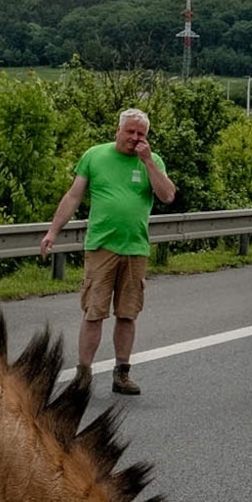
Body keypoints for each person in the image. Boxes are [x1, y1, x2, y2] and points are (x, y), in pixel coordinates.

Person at [38, 108, 175, 394]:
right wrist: (53, 232)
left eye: (141, 134)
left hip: (135, 247)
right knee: (94, 311)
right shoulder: (95, 156)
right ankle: (83, 374)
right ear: (118, 130)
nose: (135, 138)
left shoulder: (152, 160)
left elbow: (167, 195)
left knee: (128, 313)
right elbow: (73, 195)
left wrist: (148, 161)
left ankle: (122, 373)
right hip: (101, 246)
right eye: (131, 132)